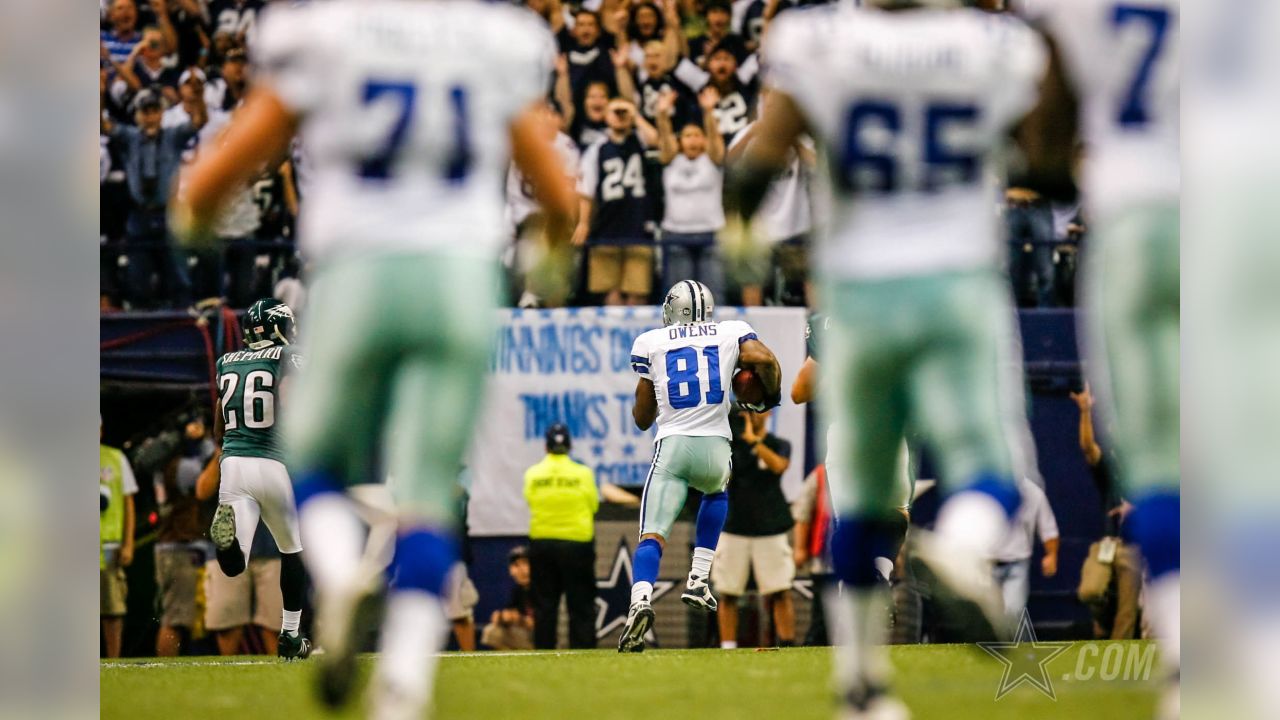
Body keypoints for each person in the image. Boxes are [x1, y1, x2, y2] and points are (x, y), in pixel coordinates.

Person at [171, 2, 576, 716]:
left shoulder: (326, 30)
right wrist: (547, 255)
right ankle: (403, 689)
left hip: (357, 270)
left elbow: (222, 169)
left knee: (316, 460)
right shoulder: (493, 38)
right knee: (425, 498)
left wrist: (192, 219)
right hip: (458, 277)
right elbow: (557, 193)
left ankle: (336, 577)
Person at [728, 2, 1048, 713]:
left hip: (859, 294)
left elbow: (756, 162)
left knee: (864, 500)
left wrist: (743, 226)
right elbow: (1047, 154)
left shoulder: (816, 40)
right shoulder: (989, 43)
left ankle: (861, 685)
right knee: (990, 466)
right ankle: (965, 546)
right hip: (957, 278)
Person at [1028, 2, 1180, 709]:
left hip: (1132, 218)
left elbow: (1045, 153)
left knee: (1153, 453)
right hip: (1243, 209)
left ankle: (1184, 663)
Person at [618, 280, 782, 652]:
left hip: (673, 445)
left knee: (652, 535)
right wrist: (769, 394)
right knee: (716, 492)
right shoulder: (731, 331)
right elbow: (763, 359)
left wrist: (651, 390)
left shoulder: (651, 342)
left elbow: (643, 419)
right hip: (716, 445)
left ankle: (640, 600)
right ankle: (698, 577)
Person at [207, 298, 311, 661]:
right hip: (273, 462)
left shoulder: (226, 362)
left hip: (233, 463)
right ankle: (290, 635)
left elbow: (218, 427)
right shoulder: (287, 356)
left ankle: (226, 543)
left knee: (235, 565)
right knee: (293, 549)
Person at [102, 87, 206, 308]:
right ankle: (141, 322)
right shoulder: (129, 137)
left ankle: (182, 320)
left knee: (178, 274)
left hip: (168, 211)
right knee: (137, 277)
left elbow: (199, 121)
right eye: (144, 111)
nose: (149, 116)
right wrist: (100, 95)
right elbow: (104, 126)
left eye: (154, 110)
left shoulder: (173, 135)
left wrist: (198, 99)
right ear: (137, 115)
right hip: (139, 213)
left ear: (161, 113)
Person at [713, 410, 795, 648]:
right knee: (728, 592)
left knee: (780, 590)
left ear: (767, 413)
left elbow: (779, 466)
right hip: (734, 525)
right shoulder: (730, 448)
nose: (750, 417)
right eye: (745, 413)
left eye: (755, 412)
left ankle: (787, 644)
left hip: (770, 526)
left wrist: (754, 440)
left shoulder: (778, 444)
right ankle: (728, 646)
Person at [197, 448, 288, 656]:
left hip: (272, 547)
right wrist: (220, 452)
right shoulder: (218, 450)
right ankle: (228, 681)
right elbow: (202, 491)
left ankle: (278, 681)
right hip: (228, 550)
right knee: (228, 625)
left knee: (276, 626)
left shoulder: (275, 444)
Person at [1071, 384, 1142, 641]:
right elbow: (1088, 447)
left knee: (1128, 611)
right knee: (1090, 590)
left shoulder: (1150, 469)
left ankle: (1116, 654)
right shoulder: (1109, 469)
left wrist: (1134, 508)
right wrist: (1085, 412)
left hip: (1135, 549)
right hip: (1108, 544)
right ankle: (1103, 624)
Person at [573, 97, 660, 305]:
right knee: (609, 291)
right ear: (605, 116)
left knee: (638, 291)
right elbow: (586, 191)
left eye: (624, 112)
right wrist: (584, 223)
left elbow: (658, 141)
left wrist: (635, 115)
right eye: (615, 112)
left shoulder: (640, 139)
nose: (620, 116)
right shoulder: (597, 148)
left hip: (638, 225)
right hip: (606, 225)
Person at [522, 424, 600, 650]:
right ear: (569, 446)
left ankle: (544, 654)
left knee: (544, 605)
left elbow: (530, 501)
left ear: (546, 446)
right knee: (581, 605)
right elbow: (593, 505)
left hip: (542, 542)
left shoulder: (533, 473)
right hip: (578, 544)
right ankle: (584, 655)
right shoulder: (583, 474)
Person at [655, 86, 726, 301]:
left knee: (714, 296)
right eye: (687, 136)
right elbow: (665, 139)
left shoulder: (712, 160)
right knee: (680, 299)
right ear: (680, 140)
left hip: (710, 234)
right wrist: (662, 115)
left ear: (704, 140)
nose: (693, 140)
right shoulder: (670, 159)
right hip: (676, 234)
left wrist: (709, 112)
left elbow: (715, 141)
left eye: (697, 136)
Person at [153, 417, 215, 656]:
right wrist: (215, 446)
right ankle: (164, 667)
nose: (201, 431)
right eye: (196, 426)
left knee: (183, 615)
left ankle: (171, 664)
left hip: (180, 544)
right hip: (178, 545)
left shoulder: (174, 461)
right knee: (176, 617)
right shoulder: (181, 465)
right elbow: (203, 483)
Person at [990, 477, 1059, 625]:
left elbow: (1048, 528)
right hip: (985, 564)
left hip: (1017, 563)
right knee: (986, 616)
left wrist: (1052, 555)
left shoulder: (1033, 492)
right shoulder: (984, 488)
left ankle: (1019, 647)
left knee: (1014, 614)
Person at [100, 418, 138, 659]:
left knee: (113, 609)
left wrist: (129, 543)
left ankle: (113, 660)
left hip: (109, 545)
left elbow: (128, 502)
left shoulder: (115, 457)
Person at [480, 547, 536, 651]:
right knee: (492, 631)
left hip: (548, 639)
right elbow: (510, 613)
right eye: (516, 565)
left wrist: (519, 619)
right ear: (511, 570)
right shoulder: (518, 590)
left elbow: (547, 624)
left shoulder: (545, 588)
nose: (522, 570)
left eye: (526, 563)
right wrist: (501, 617)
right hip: (527, 636)